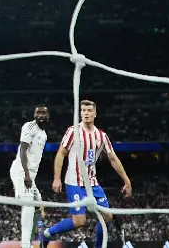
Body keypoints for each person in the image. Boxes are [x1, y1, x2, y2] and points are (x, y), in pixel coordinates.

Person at [39, 100, 132, 248]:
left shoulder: (101, 136)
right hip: (74, 182)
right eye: (83, 110)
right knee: (79, 221)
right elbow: (61, 153)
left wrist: (127, 181)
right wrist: (57, 178)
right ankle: (46, 234)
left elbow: (113, 158)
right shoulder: (73, 131)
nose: (86, 113)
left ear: (95, 113)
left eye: (89, 110)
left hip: (92, 182)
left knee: (107, 217)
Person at [12, 105, 51, 248]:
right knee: (28, 206)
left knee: (38, 207)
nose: (40, 115)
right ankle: (25, 245)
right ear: (34, 115)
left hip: (30, 177)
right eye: (38, 112)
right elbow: (22, 151)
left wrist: (31, 177)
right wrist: (27, 176)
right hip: (22, 172)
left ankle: (30, 240)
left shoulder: (44, 134)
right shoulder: (29, 127)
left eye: (43, 113)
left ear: (48, 116)